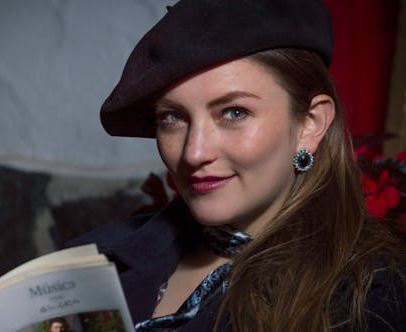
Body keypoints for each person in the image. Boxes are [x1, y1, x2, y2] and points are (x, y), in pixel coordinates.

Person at [68, 0, 406, 331]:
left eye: (234, 112)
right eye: (172, 117)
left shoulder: (371, 292)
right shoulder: (91, 261)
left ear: (310, 124)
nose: (194, 153)